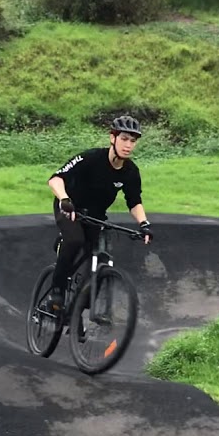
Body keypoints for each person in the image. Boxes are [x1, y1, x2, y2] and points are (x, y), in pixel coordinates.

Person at [45, 115, 152, 311]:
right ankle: (56, 292)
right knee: (75, 240)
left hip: (95, 217)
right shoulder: (91, 158)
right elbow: (55, 179)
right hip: (70, 209)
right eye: (124, 139)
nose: (128, 145)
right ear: (113, 138)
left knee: (98, 258)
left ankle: (79, 308)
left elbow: (134, 202)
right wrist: (64, 200)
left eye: (133, 141)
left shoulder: (131, 172)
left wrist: (144, 224)